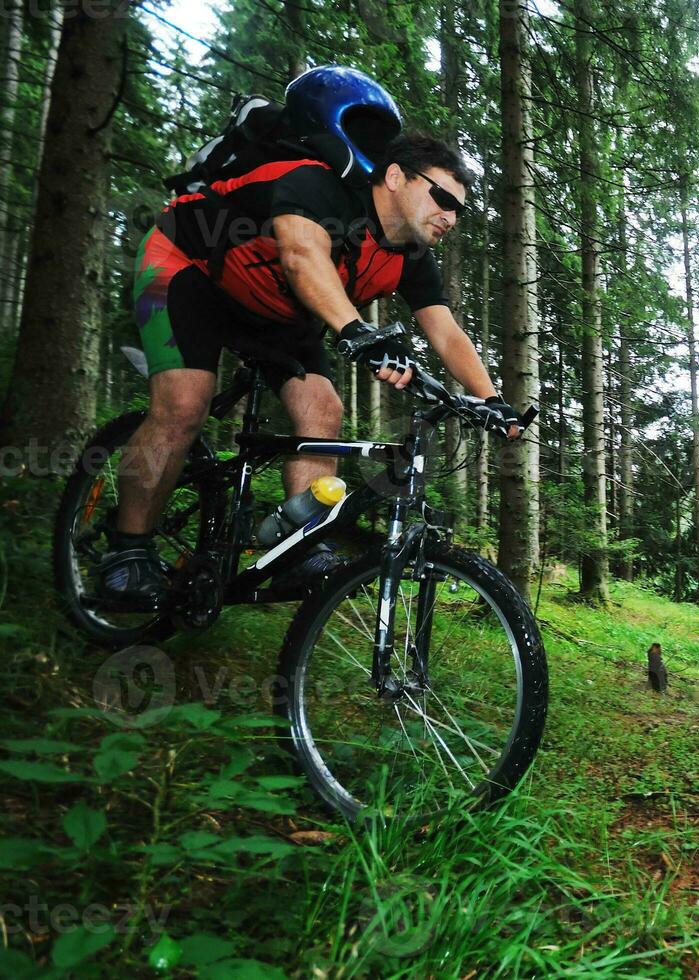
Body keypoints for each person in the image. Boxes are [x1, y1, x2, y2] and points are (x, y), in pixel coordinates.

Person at [96, 65, 520, 609]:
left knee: (322, 412)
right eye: (443, 198)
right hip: (190, 270)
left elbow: (445, 330)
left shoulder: (412, 255)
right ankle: (126, 552)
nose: (452, 217)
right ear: (396, 177)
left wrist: (492, 402)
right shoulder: (317, 185)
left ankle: (297, 550)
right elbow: (301, 257)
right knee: (182, 406)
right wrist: (357, 332)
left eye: (460, 208)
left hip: (274, 311)